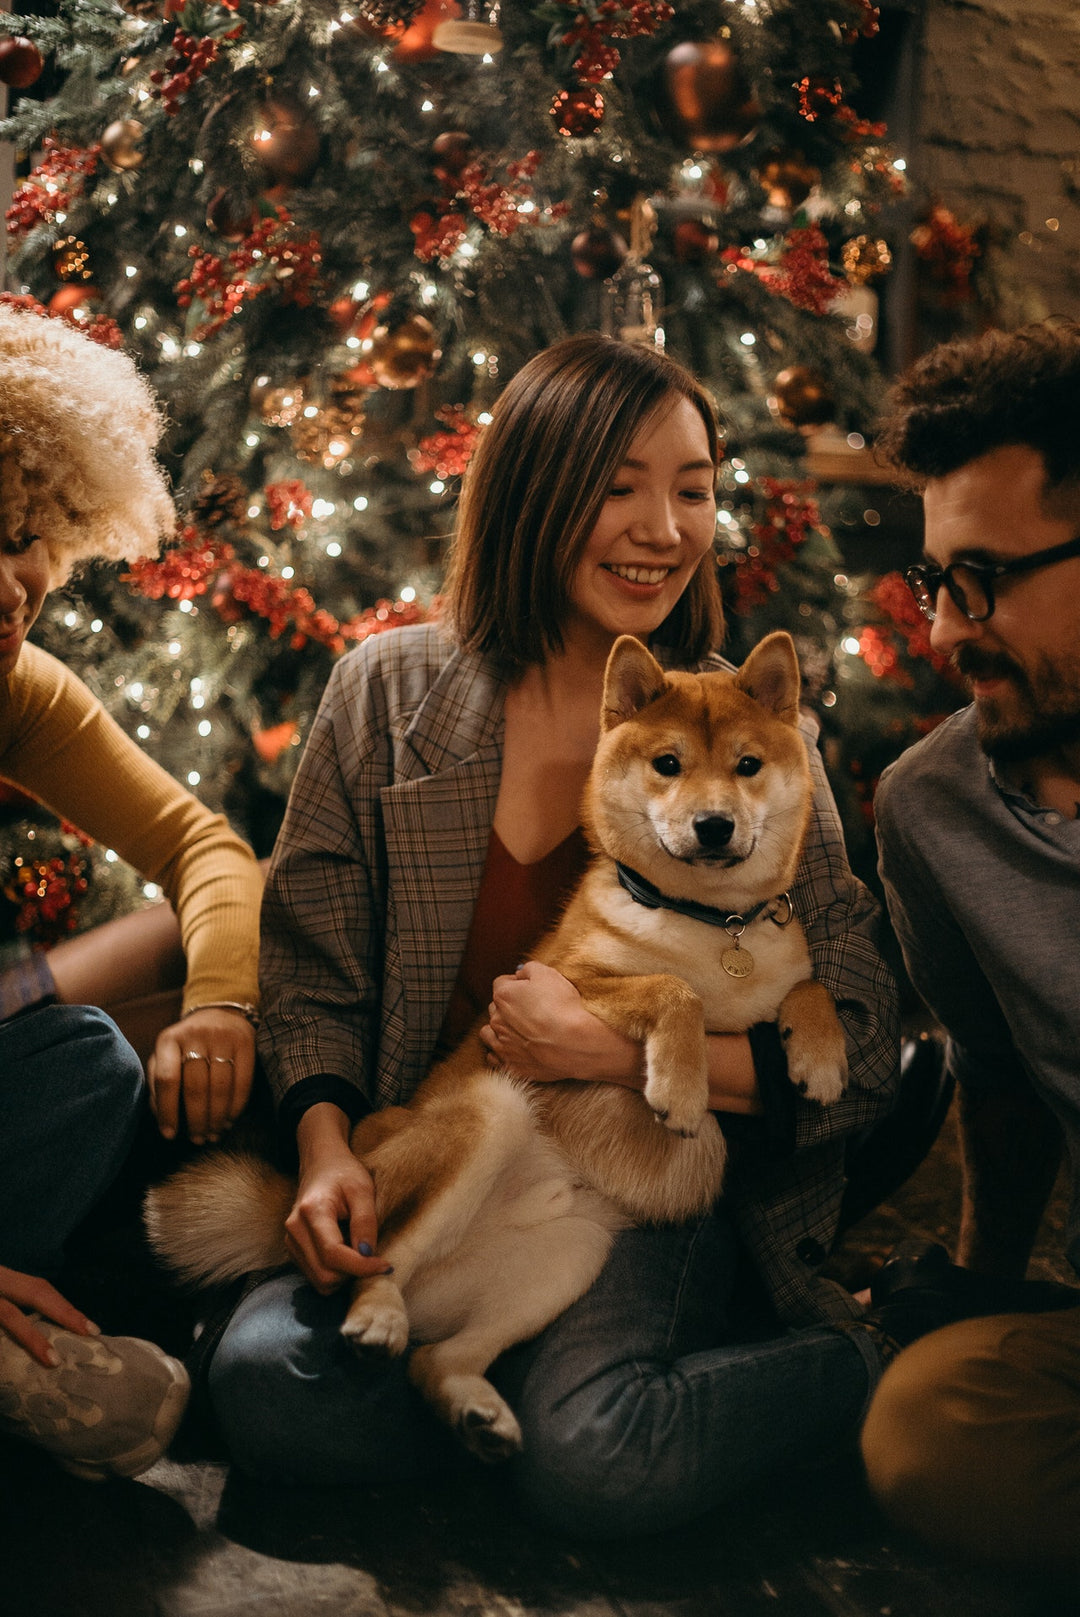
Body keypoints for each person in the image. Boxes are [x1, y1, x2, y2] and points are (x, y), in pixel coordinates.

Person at [207, 333, 903, 1536]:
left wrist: (611, 1053)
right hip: (451, 1168)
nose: (665, 528)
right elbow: (310, 980)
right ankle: (535, 1383)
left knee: (596, 1460)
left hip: (653, 1192)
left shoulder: (750, 742)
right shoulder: (385, 696)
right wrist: (324, 1149)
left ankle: (874, 1361)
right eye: (619, 484)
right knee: (270, 1392)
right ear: (534, 489)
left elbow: (870, 1045)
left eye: (694, 490)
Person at [0, 305, 262, 1479]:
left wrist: (220, 1008)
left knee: (87, 1065)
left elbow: (205, 850)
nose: (22, 581)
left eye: (37, 538)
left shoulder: (24, 694)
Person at [861, 320, 1080, 1580]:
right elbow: (998, 1079)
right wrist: (990, 1283)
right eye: (937, 583)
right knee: (929, 1433)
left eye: (983, 579)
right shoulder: (935, 810)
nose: (947, 633)